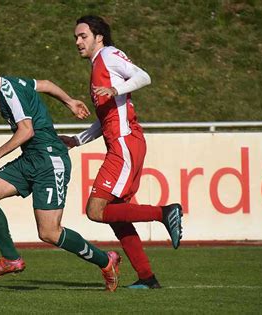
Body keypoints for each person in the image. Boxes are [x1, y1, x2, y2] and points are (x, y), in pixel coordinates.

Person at [0, 58, 122, 292]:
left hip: (49, 161)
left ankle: (105, 261)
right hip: (30, 160)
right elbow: (45, 84)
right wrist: (69, 101)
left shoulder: (10, 92)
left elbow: (27, 130)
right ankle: (11, 258)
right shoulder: (12, 83)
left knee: (49, 233)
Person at [60, 15, 183, 289]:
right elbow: (106, 118)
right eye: (76, 38)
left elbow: (143, 77)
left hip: (125, 144)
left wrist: (116, 88)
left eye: (83, 36)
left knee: (96, 210)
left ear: (99, 37)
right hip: (123, 143)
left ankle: (164, 212)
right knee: (117, 214)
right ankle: (147, 277)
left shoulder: (109, 54)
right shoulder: (98, 65)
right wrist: (77, 140)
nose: (78, 42)